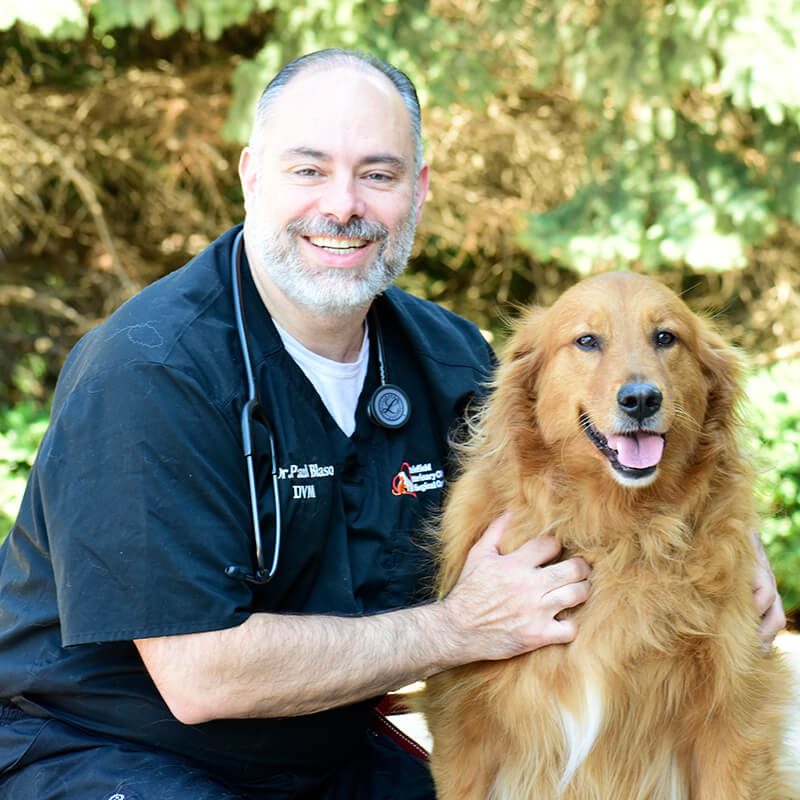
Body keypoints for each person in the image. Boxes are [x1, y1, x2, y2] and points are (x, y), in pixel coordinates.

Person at [0, 49, 784, 800]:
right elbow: (202, 676)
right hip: (103, 750)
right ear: (251, 175)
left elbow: (581, 474)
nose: (343, 205)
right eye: (309, 170)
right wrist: (458, 628)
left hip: (323, 754)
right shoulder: (149, 372)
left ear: (419, 188)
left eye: (377, 174)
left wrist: (730, 543)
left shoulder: (444, 356)